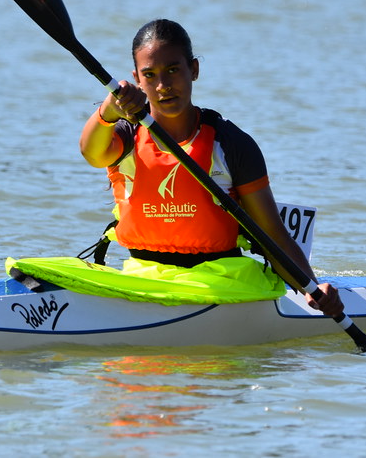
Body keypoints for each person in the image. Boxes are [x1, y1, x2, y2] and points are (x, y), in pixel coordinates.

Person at [79, 19, 344, 318]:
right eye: (150, 75)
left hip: (223, 283)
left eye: (173, 70)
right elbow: (92, 153)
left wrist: (312, 287)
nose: (163, 85)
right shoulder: (126, 134)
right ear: (137, 79)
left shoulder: (231, 144)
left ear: (194, 69)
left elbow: (272, 233)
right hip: (143, 278)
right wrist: (108, 110)